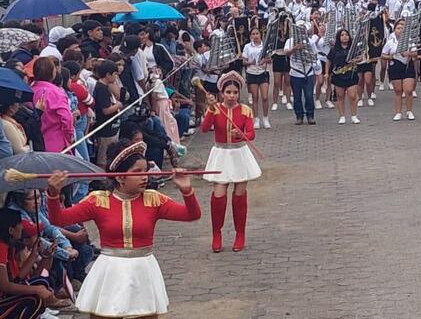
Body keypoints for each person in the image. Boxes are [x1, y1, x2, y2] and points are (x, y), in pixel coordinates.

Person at [46, 141, 201, 319]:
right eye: (137, 172)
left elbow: (192, 215)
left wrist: (187, 190)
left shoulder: (154, 200)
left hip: (143, 270)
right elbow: (58, 220)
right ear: (120, 177)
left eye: (146, 170)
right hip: (109, 271)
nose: (145, 177)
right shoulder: (98, 201)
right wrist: (53, 194)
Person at [201, 72, 261, 253]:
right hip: (221, 154)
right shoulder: (215, 108)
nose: (232, 96)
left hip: (239, 153)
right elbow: (204, 128)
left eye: (235, 92)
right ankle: (216, 233)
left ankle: (240, 234)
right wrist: (210, 110)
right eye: (228, 92)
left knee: (239, 195)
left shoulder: (245, 110)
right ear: (222, 93)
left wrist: (241, 134)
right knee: (219, 195)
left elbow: (251, 133)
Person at [0, 208, 52, 318]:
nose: (22, 227)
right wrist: (37, 290)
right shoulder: (1, 248)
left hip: (5, 296)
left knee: (41, 282)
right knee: (34, 299)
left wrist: (34, 254)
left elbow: (18, 278)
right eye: (19, 224)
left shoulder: (6, 246)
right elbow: (5, 286)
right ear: (11, 230)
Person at [31, 58, 74, 153]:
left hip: (35, 143)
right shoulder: (57, 92)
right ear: (52, 72)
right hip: (56, 142)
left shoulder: (30, 90)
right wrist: (69, 136)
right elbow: (67, 118)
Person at [284, 21, 319, 125]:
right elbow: (286, 53)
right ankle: (299, 116)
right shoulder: (290, 41)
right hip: (296, 73)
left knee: (309, 96)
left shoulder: (310, 41)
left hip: (308, 72)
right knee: (297, 97)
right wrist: (294, 49)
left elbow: (315, 55)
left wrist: (307, 53)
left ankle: (310, 115)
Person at [382, 19, 417, 121]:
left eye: (402, 28)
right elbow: (383, 54)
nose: (400, 30)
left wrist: (408, 53)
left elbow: (415, 53)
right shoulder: (390, 42)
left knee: (408, 90)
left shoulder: (410, 41)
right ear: (395, 30)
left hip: (407, 65)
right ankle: (398, 112)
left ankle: (409, 111)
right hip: (395, 66)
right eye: (398, 28)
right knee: (398, 91)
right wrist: (390, 56)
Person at [326, 29, 360, 124]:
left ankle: (354, 115)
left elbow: (361, 57)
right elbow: (328, 61)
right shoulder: (334, 50)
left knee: (352, 96)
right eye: (342, 35)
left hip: (351, 75)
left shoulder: (353, 48)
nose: (345, 36)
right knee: (340, 96)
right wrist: (326, 73)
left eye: (346, 35)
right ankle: (342, 116)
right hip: (338, 75)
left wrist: (357, 60)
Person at [241, 27, 271, 129]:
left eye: (257, 33)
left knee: (265, 97)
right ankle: (256, 119)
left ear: (260, 34)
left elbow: (270, 59)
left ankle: (265, 118)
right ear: (250, 36)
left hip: (263, 72)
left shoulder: (265, 46)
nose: (255, 36)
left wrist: (265, 61)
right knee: (255, 97)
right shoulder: (247, 47)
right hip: (252, 73)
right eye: (253, 34)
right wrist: (250, 62)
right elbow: (243, 61)